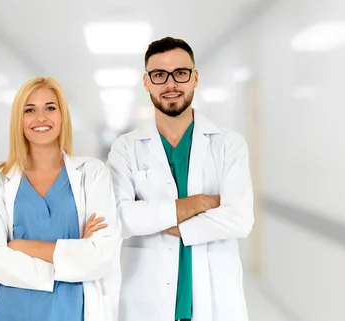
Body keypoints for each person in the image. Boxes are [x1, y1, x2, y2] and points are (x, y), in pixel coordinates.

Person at [106, 37, 254, 321]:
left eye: (180, 73)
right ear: (146, 82)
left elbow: (240, 218)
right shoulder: (126, 148)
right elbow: (120, 218)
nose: (170, 84)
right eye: (159, 75)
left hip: (215, 301)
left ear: (195, 78)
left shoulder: (229, 144)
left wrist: (154, 217)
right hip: (147, 302)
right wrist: (200, 203)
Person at [0, 76, 122, 321]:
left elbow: (101, 257)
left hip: (72, 311)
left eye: (50, 108)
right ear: (18, 120)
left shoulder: (92, 174)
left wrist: (19, 247)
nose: (41, 117)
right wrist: (73, 257)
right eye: (29, 110)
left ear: (62, 115)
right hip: (11, 311)